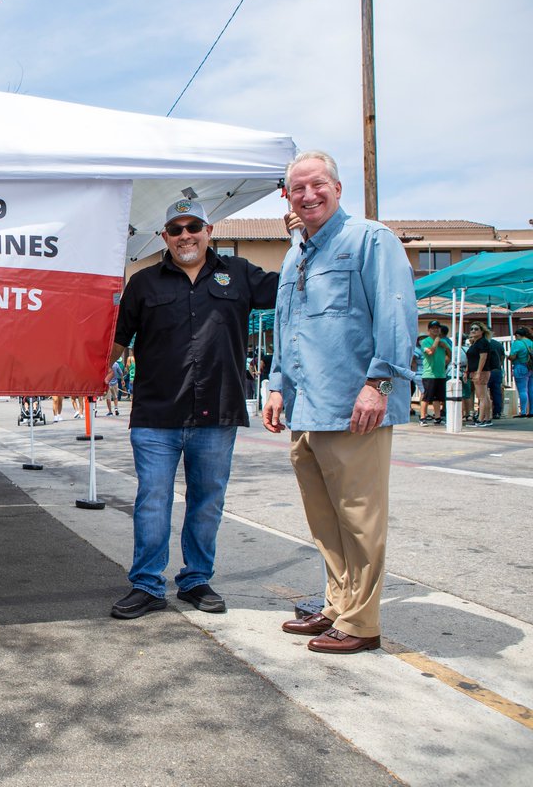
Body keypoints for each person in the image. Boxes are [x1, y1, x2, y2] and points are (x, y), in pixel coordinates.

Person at [263, 150, 416, 655]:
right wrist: (277, 385)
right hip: (306, 408)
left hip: (355, 407)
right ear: (287, 197)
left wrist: (381, 385)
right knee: (325, 518)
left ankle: (362, 621)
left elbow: (396, 318)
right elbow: (287, 329)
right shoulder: (294, 254)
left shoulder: (371, 240)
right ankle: (337, 604)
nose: (308, 195)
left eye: (317, 185)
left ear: (337, 187)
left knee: (359, 517)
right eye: (297, 188)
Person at [109, 198, 277, 620]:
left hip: (217, 413)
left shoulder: (239, 274)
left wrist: (302, 236)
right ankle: (147, 585)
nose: (186, 235)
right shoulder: (143, 284)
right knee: (153, 500)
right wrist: (90, 377)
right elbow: (117, 340)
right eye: (176, 228)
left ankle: (196, 579)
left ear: (209, 230)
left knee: (206, 501)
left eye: (193, 226)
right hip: (155, 415)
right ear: (164, 236)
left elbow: (290, 287)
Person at [417, 320, 452, 426]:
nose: (436, 330)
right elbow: (430, 352)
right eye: (433, 328)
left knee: (438, 397)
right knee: (427, 397)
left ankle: (437, 417)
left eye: (437, 328)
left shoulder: (444, 342)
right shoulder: (425, 342)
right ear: (429, 330)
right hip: (429, 374)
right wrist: (436, 341)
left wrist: (445, 347)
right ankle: (422, 417)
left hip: (441, 373)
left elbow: (450, 355)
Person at [465, 322, 495, 427]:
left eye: (476, 329)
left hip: (481, 371)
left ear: (482, 331)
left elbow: (483, 358)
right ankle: (486, 418)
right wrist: (467, 371)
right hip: (478, 371)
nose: (473, 331)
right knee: (484, 396)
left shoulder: (482, 343)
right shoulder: (477, 343)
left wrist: (478, 372)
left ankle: (480, 419)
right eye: (472, 329)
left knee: (481, 397)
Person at [507, 326, 533, 417]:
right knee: (531, 389)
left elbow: (513, 356)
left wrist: (508, 357)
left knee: (522, 390)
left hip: (520, 367)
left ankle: (523, 411)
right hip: (531, 367)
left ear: (518, 335)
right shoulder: (531, 342)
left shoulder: (518, 343)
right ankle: (531, 411)